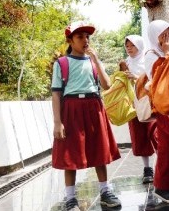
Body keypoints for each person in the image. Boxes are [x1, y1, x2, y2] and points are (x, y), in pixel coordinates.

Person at [51, 21, 121, 211]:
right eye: (80, 37)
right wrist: (57, 122)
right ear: (70, 40)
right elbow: (56, 93)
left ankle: (105, 191)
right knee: (70, 153)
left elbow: (106, 85)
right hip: (71, 109)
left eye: (87, 37)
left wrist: (97, 60)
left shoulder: (92, 61)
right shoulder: (62, 63)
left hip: (94, 107)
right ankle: (70, 197)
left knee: (99, 150)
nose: (85, 40)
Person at [143, 20, 169, 203]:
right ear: (154, 36)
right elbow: (159, 78)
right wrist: (168, 54)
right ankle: (162, 186)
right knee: (166, 146)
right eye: (163, 34)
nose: (168, 37)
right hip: (163, 107)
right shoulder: (151, 55)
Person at [123, 35, 157, 184]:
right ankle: (147, 169)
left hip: (149, 104)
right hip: (134, 105)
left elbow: (153, 80)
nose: (129, 48)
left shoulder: (147, 60)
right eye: (127, 46)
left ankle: (162, 165)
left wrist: (135, 77)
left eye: (132, 45)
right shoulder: (126, 62)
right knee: (140, 136)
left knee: (155, 134)